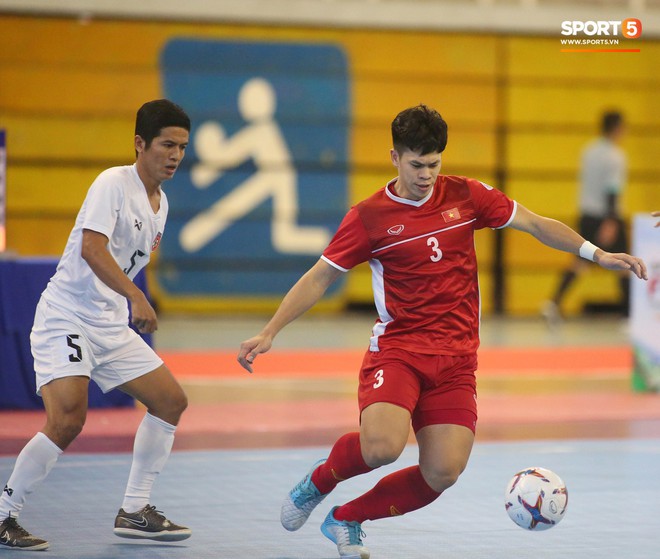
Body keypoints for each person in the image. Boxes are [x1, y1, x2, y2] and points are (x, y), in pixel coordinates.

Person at [237, 104, 647, 559]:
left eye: (434, 164)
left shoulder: (467, 196)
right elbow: (320, 275)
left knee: (443, 472)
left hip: (456, 359)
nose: (427, 174)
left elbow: (534, 224)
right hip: (400, 350)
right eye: (416, 164)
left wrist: (597, 254)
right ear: (394, 157)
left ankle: (347, 518)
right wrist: (271, 330)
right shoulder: (369, 217)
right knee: (381, 449)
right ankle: (320, 480)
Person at [0, 99, 192, 551]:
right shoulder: (113, 182)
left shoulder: (161, 203)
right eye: (167, 145)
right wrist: (137, 295)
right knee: (68, 418)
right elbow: (92, 248)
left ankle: (135, 510)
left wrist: (124, 302)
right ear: (140, 144)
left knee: (170, 402)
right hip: (66, 316)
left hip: (109, 325)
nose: (176, 156)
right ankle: (4, 514)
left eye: (183, 147)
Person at [543, 110, 629, 324]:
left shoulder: (588, 151)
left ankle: (553, 302)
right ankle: (629, 314)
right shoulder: (616, 156)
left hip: (586, 214)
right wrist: (611, 221)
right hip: (606, 216)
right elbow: (612, 190)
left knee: (580, 262)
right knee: (626, 263)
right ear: (617, 128)